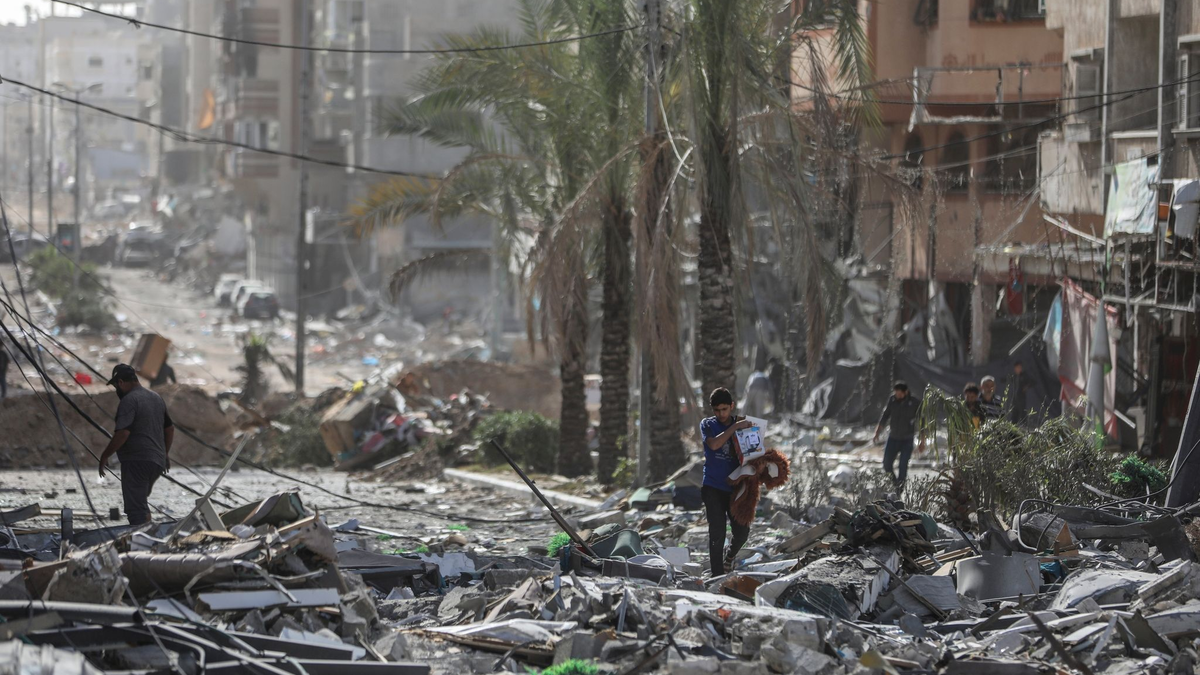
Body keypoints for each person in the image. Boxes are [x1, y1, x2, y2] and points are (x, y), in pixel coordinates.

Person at [98, 364, 175, 525]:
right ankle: (148, 536)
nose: (116, 390)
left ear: (120, 382)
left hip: (137, 461)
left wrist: (105, 455)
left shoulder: (129, 400)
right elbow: (169, 428)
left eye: (115, 386)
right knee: (140, 504)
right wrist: (165, 454)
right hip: (156, 463)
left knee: (136, 509)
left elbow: (123, 433)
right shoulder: (156, 397)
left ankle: (140, 542)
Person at [699, 387, 752, 576]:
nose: (721, 414)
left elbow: (754, 453)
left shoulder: (743, 424)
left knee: (742, 532)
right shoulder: (708, 424)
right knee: (717, 533)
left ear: (732, 406)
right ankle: (717, 576)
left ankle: (729, 557)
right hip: (713, 486)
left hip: (735, 488)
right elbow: (714, 444)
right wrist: (735, 428)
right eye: (717, 410)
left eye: (724, 409)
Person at [873, 381, 924, 488]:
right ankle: (894, 483)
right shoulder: (892, 400)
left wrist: (922, 441)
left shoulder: (914, 403)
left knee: (903, 466)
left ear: (906, 392)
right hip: (893, 438)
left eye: (899, 393)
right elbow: (885, 416)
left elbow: (922, 421)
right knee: (886, 464)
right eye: (896, 393)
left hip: (907, 439)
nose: (897, 395)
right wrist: (877, 432)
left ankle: (899, 489)